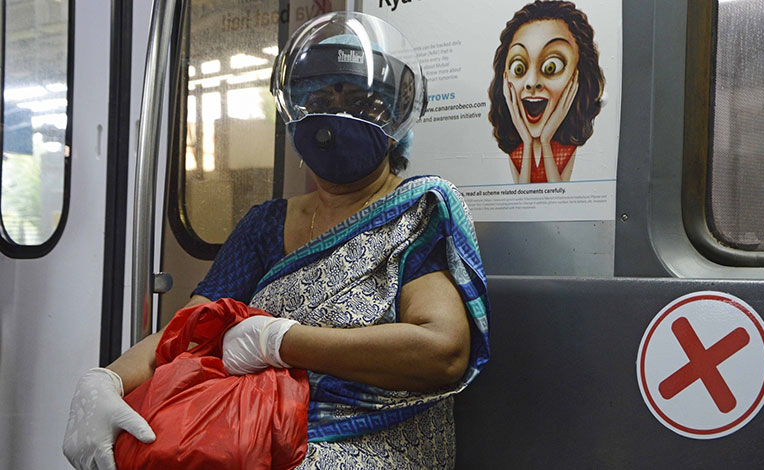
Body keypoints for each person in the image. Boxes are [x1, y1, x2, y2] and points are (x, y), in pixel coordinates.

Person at [63, 11, 489, 470]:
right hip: (259, 424)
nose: (335, 115)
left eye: (360, 103)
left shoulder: (417, 211)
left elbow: (443, 351)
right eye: (321, 98)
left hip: (377, 440)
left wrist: (279, 342)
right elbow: (187, 331)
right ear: (295, 117)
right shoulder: (266, 224)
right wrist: (105, 382)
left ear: (394, 122)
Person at [488, 0, 605, 183]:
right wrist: (527, 142)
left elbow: (557, 196)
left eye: (551, 67)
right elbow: (523, 202)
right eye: (519, 68)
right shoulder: (515, 152)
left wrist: (545, 141)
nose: (532, 83)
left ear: (579, 76)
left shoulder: (570, 151)